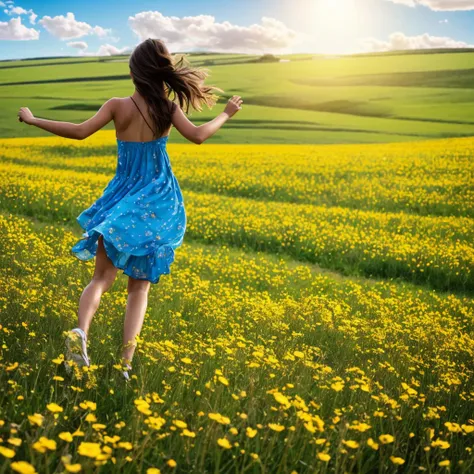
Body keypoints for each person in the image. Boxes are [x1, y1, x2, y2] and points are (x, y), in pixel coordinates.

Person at [17, 38, 243, 381]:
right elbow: (198, 136)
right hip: (157, 203)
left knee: (101, 278)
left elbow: (79, 133)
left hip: (121, 200)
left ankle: (81, 333)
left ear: (133, 72)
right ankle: (124, 366)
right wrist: (226, 113)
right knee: (139, 286)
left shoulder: (116, 106)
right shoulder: (167, 109)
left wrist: (34, 121)